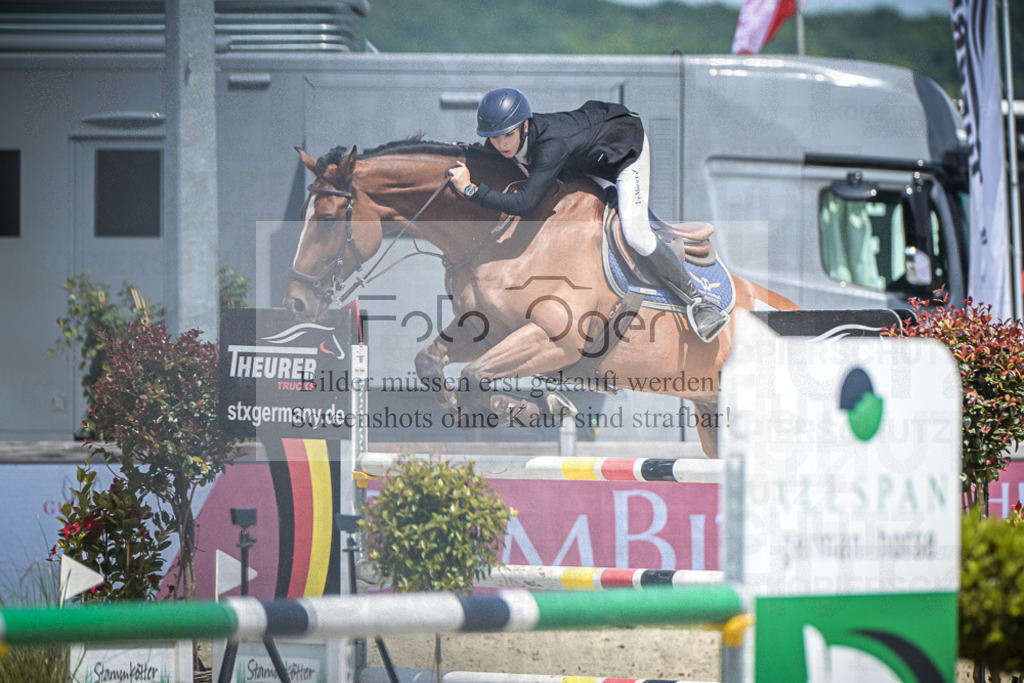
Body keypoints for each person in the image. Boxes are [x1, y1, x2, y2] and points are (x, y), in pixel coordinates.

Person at [448, 87, 730, 343]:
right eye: (494, 138)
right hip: (586, 150)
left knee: (636, 235)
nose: (501, 145)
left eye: (508, 135)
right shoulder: (508, 138)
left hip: (625, 150)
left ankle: (699, 302)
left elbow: (524, 204)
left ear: (524, 125)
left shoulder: (551, 147)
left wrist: (471, 190)